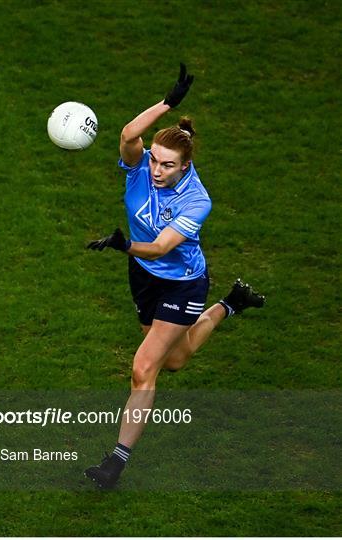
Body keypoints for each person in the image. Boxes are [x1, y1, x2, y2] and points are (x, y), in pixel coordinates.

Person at [84, 63, 265, 489]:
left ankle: (116, 462)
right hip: (144, 276)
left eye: (167, 165)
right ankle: (231, 303)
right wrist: (168, 104)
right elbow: (129, 135)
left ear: (185, 168)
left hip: (182, 282)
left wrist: (123, 244)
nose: (156, 170)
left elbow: (163, 246)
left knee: (144, 368)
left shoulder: (196, 201)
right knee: (178, 360)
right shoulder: (138, 167)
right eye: (155, 161)